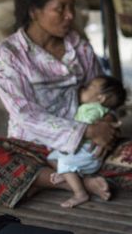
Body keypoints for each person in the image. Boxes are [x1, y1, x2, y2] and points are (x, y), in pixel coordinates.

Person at [0, 0, 132, 208]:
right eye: (60, 8)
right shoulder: (10, 54)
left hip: (84, 149)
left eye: (71, 7)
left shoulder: (78, 47)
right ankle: (75, 182)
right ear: (34, 11)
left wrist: (105, 127)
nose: (70, 15)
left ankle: (47, 180)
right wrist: (86, 131)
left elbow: (104, 94)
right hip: (34, 148)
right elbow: (25, 114)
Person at [47, 75, 127, 208]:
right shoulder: (89, 107)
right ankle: (69, 175)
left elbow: (87, 127)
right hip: (78, 149)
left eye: (89, 87)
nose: (83, 88)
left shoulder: (94, 110)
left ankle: (80, 193)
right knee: (51, 157)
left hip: (89, 152)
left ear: (100, 98)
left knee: (64, 162)